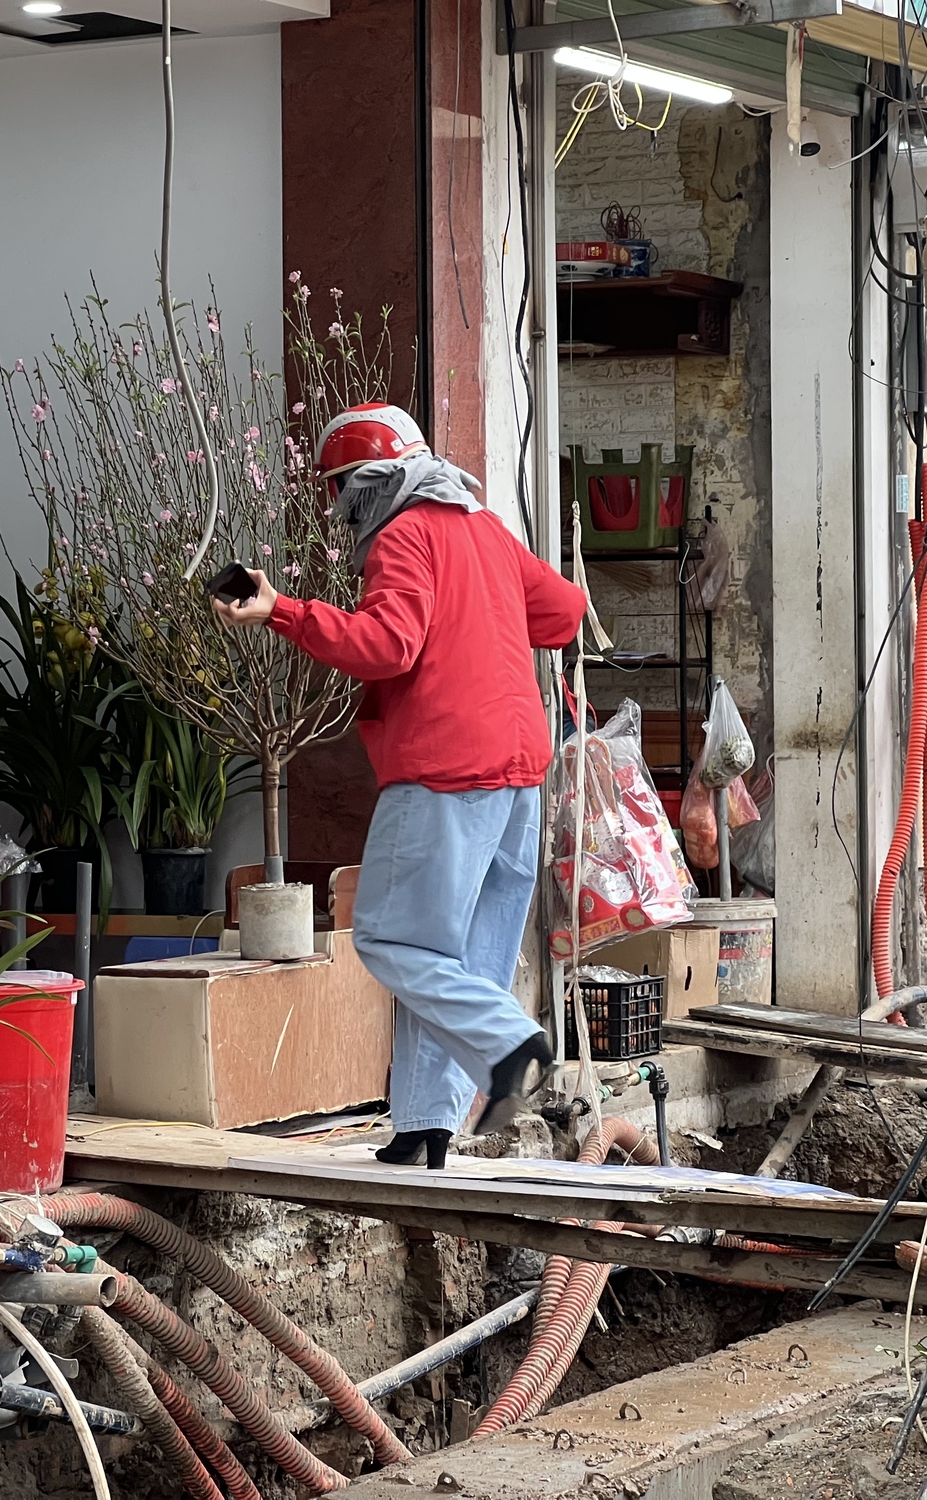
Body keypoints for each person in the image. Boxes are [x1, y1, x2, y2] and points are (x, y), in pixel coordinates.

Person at [213, 402, 587, 1169]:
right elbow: (565, 613)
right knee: (451, 963)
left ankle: (513, 1045)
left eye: (339, 490)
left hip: (446, 772)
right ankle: (424, 1129)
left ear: (365, 483)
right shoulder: (481, 526)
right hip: (519, 780)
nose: (338, 509)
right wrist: (486, 609)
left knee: (389, 937)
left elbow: (386, 646)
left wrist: (280, 609)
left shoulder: (404, 534)